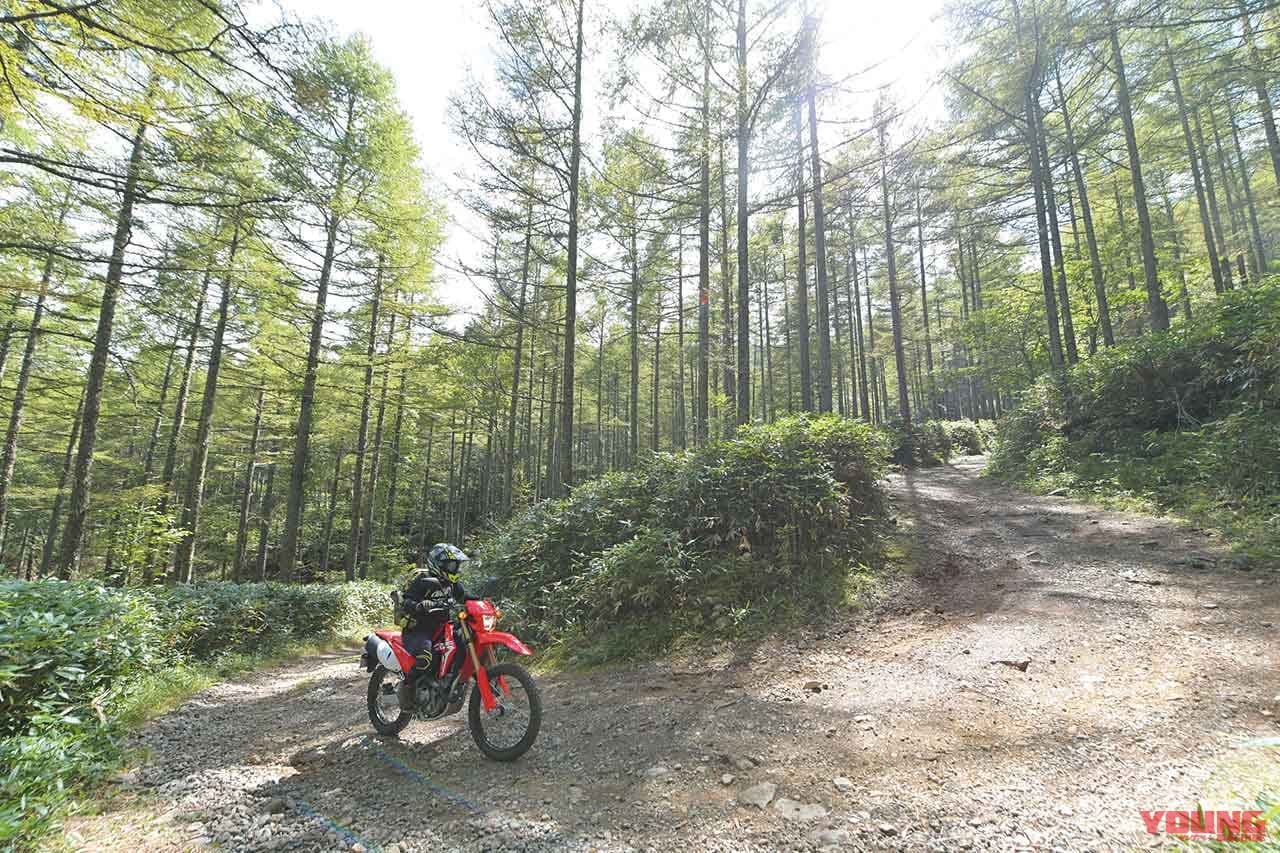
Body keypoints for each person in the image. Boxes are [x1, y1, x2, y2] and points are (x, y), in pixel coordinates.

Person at [400, 543, 479, 667]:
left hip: (442, 628)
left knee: (462, 647)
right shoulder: (422, 579)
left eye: (456, 565)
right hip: (419, 630)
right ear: (439, 564)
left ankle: (452, 677)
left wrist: (482, 602)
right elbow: (406, 601)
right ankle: (409, 680)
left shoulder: (451, 583)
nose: (455, 569)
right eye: (452, 565)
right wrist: (420, 605)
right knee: (425, 657)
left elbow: (464, 596)